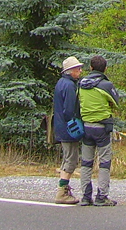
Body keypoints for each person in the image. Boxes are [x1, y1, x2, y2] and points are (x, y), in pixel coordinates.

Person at [77, 55, 121, 206]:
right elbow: (116, 102)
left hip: (86, 126)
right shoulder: (106, 85)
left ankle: (85, 196)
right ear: (105, 69)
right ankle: (101, 196)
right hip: (102, 128)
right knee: (104, 162)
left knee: (86, 162)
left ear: (91, 68)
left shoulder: (81, 84)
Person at [52, 56, 84, 204]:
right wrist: (77, 123)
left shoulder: (61, 83)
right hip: (68, 128)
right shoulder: (70, 86)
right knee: (71, 160)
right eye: (78, 68)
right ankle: (62, 192)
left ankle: (63, 190)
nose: (80, 71)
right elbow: (69, 110)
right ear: (70, 71)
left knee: (67, 158)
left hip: (60, 126)